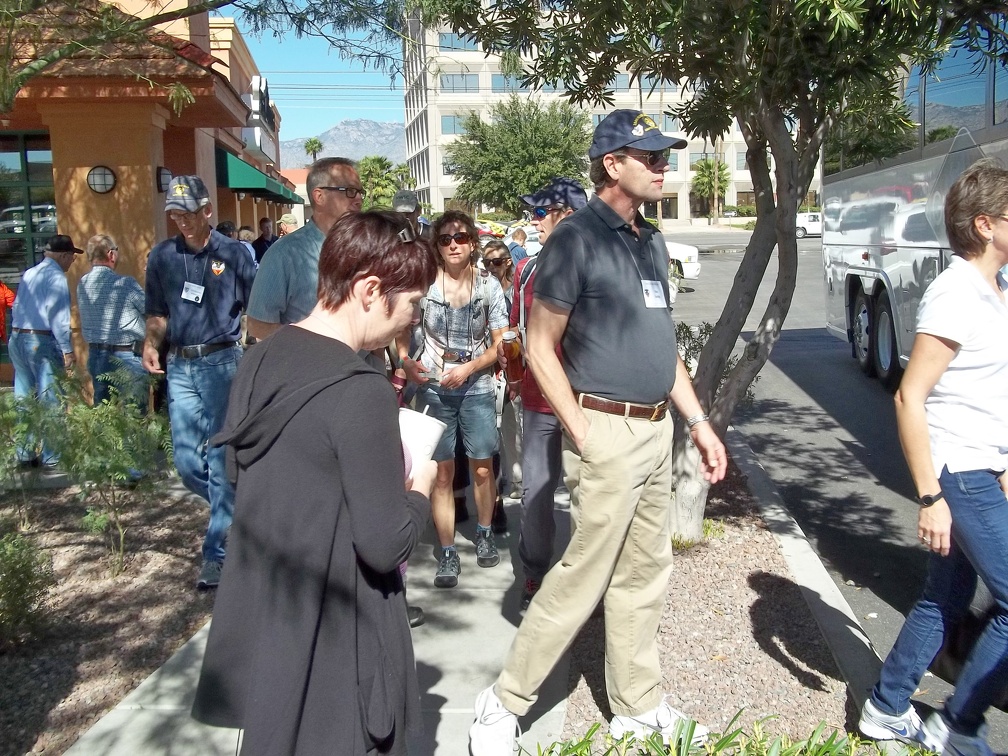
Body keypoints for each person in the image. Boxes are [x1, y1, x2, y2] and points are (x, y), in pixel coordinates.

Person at [468, 110, 727, 754]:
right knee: (583, 574)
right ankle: (503, 706)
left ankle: (638, 706)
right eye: (651, 155)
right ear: (613, 164)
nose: (664, 165)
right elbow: (538, 343)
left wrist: (697, 422)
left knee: (645, 573)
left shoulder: (652, 241)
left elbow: (662, 347)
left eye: (665, 155)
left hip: (656, 431)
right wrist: (581, 429)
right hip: (605, 433)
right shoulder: (575, 240)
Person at [191, 210, 438, 755]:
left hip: (273, 618)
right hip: (341, 633)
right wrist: (420, 483)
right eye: (414, 304)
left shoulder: (261, 357)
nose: (412, 321)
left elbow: (242, 471)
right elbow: (384, 544)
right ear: (371, 290)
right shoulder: (362, 390)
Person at [857, 158, 1008, 756]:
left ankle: (886, 708)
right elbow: (909, 395)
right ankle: (959, 723)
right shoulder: (955, 293)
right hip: (957, 474)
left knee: (944, 597)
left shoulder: (995, 290)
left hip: (981, 466)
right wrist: (930, 495)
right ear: (985, 224)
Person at [142, 175, 257, 590]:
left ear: (208, 210)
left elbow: (255, 307)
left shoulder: (234, 253)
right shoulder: (162, 257)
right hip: (179, 365)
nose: (183, 222)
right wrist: (151, 343)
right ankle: (243, 514)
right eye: (176, 214)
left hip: (223, 361)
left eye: (190, 213)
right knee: (188, 463)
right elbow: (156, 313)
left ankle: (217, 553)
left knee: (220, 457)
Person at [397, 211, 508, 588]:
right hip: (432, 384)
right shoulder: (425, 283)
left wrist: (471, 367)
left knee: (481, 467)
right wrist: (405, 362)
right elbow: (401, 324)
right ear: (437, 246)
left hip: (475, 385)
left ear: (473, 243)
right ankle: (446, 551)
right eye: (445, 240)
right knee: (442, 473)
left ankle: (484, 530)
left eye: (460, 238)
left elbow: (501, 343)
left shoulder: (488, 286)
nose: (453, 245)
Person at [508, 177, 588, 611]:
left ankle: (586, 583)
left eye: (542, 213)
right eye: (534, 213)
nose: (534, 222)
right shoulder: (526, 270)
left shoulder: (594, 261)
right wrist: (514, 372)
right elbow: (516, 328)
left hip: (586, 400)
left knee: (587, 493)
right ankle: (536, 573)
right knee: (536, 489)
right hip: (539, 401)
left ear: (568, 215)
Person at [246, 157, 363, 341]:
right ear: (319, 196)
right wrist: (308, 348)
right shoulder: (283, 255)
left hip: (364, 365)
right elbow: (257, 325)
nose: (358, 199)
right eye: (350, 191)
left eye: (359, 192)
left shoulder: (366, 247)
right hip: (314, 367)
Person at [8, 234, 82, 467]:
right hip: (40, 341)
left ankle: (24, 453)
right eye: (72, 257)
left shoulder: (30, 273)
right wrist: (67, 351)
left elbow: (18, 306)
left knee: (24, 398)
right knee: (51, 398)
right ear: (63, 255)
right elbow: (58, 319)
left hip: (18, 337)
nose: (72, 262)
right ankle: (53, 456)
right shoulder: (56, 278)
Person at [76, 234, 147, 406]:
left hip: (96, 354)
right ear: (111, 254)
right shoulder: (125, 283)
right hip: (126, 355)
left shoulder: (83, 283)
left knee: (104, 414)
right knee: (134, 412)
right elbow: (149, 309)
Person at [482, 238, 520, 516]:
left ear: (507, 262)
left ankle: (517, 478)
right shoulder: (483, 289)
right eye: (486, 262)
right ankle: (500, 479)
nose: (491, 267)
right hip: (488, 367)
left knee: (512, 426)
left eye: (496, 262)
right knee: (493, 430)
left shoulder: (515, 291)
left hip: (514, 367)